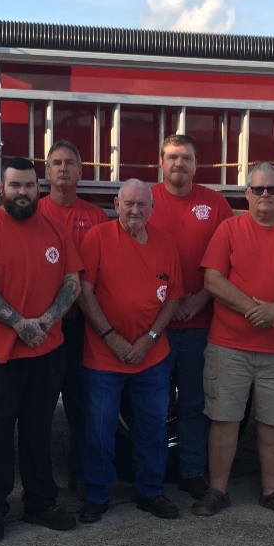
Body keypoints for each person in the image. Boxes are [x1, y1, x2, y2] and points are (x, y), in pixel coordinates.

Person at [0, 156, 82, 542]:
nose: (22, 192)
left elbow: (73, 282)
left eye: (29, 185)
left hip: (47, 350)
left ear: (38, 188)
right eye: (15, 185)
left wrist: (47, 320)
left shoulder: (57, 229)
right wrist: (18, 323)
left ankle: (40, 502)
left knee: (38, 428)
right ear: (1, 189)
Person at [193, 163, 274, 517]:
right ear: (246, 193)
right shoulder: (229, 229)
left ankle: (273, 491)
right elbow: (212, 279)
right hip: (229, 347)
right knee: (224, 420)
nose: (266, 194)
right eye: (259, 189)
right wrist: (255, 310)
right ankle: (217, 490)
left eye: (272, 189)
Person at [75, 179, 183, 523]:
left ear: (152, 208)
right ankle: (97, 495)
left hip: (152, 356)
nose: (135, 210)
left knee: (153, 429)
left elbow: (172, 298)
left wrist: (149, 338)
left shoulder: (165, 244)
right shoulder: (97, 238)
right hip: (103, 355)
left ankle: (150, 491)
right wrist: (111, 337)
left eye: (142, 204)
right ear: (116, 205)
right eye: (129, 204)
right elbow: (84, 292)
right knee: (100, 430)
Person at [149, 134, 234, 499]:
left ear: (197, 165)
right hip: (156, 325)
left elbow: (231, 260)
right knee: (153, 405)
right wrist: (167, 306)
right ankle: (151, 476)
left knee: (195, 403)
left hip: (201, 324)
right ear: (161, 163)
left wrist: (199, 299)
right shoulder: (146, 200)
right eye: (172, 157)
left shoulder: (215, 205)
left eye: (186, 158)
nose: (178, 164)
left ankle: (192, 471)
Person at [39, 140, 108, 496]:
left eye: (70, 163)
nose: (63, 168)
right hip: (44, 327)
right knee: (39, 408)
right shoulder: (34, 212)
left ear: (81, 172)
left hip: (84, 328)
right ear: (47, 171)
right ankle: (41, 483)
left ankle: (81, 476)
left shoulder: (95, 217)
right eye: (57, 163)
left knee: (83, 407)